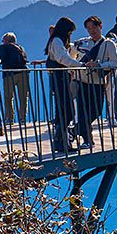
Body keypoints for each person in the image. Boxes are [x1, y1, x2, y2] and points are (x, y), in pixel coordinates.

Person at [70, 16, 117, 148]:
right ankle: (87, 140)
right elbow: (71, 56)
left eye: (94, 27)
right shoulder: (84, 43)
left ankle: (74, 130)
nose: (92, 31)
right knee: (83, 111)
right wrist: (75, 67)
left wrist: (99, 65)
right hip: (82, 80)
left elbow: (115, 62)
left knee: (96, 111)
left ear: (100, 26)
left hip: (98, 82)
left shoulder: (109, 44)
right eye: (89, 28)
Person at [45, 17, 78, 153]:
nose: (70, 35)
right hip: (60, 78)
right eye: (70, 32)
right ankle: (61, 141)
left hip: (58, 77)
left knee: (62, 110)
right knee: (67, 110)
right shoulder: (57, 41)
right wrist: (79, 65)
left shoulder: (54, 41)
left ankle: (60, 141)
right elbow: (62, 58)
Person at [0, 32, 30, 123]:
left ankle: (10, 118)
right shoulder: (20, 48)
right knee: (23, 96)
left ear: (5, 40)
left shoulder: (2, 48)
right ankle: (22, 118)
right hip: (23, 73)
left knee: (8, 96)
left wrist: (1, 62)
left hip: (9, 74)